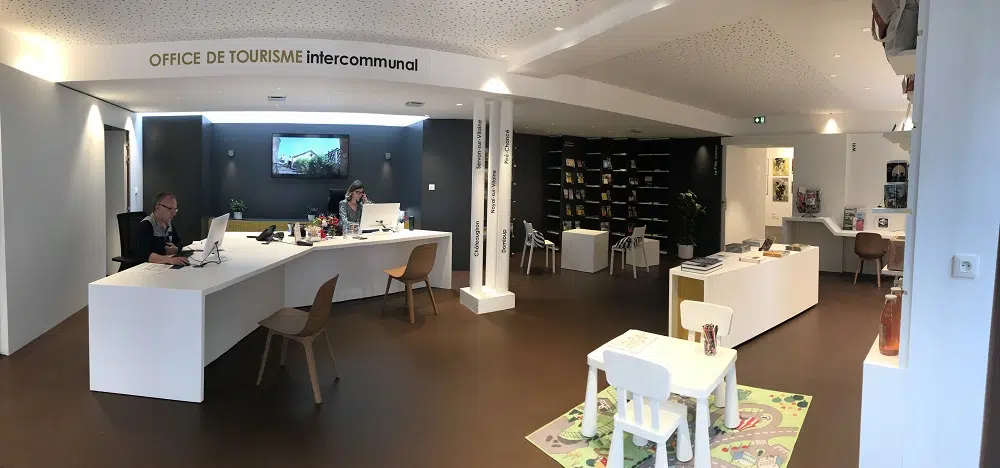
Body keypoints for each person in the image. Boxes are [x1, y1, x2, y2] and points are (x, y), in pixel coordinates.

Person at [134, 192, 188, 266]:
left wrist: (176, 249)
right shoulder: (146, 224)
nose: (174, 213)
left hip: (162, 265)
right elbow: (144, 255)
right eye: (170, 209)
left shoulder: (168, 223)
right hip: (147, 267)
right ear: (158, 207)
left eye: (175, 210)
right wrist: (170, 260)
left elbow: (178, 242)